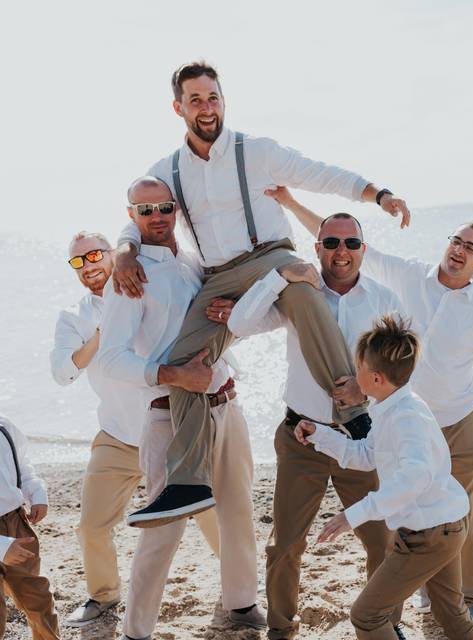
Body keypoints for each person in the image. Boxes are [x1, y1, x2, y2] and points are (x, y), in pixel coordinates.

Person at [111, 61, 412, 525]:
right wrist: (124, 250)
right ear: (179, 107)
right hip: (217, 274)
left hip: (272, 255)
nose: (206, 108)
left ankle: (355, 414)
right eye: (195, 100)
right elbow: (138, 210)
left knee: (306, 294)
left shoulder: (257, 151)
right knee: (187, 358)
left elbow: (321, 173)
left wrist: (380, 195)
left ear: (223, 100)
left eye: (213, 98)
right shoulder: (166, 170)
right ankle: (188, 479)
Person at [272, 188, 473, 633]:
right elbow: (343, 245)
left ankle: (471, 598)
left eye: (471, 247)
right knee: (408, 509)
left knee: (464, 512)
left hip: (458, 422)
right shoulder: (407, 276)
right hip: (402, 420)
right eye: (456, 241)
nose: (460, 250)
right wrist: (289, 201)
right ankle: (417, 587)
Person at [99, 176, 263, 638]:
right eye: (144, 211)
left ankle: (242, 603)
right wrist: (175, 376)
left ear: (177, 209)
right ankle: (137, 631)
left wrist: (235, 317)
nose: (157, 218)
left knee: (237, 511)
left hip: (226, 403)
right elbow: (112, 357)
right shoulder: (129, 275)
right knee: (163, 527)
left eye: (164, 208)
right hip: (167, 414)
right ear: (130, 215)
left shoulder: (193, 261)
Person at [226, 213, 403, 639]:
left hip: (361, 441)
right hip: (302, 439)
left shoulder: (383, 300)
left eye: (351, 243)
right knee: (285, 545)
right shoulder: (296, 296)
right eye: (331, 243)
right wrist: (278, 278)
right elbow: (239, 323)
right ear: (317, 248)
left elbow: (407, 369)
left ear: (363, 248)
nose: (341, 252)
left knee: (382, 543)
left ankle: (383, 627)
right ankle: (281, 629)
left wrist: (364, 392)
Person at [296, 316, 473, 640]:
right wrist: (319, 435)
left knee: (367, 616)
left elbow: (416, 475)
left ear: (377, 378)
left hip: (431, 533)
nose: (355, 375)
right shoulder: (390, 407)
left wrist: (354, 514)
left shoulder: (406, 416)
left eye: (359, 369)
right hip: (442, 524)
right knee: (451, 613)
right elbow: (367, 455)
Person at [50, 232, 149, 626]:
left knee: (213, 515)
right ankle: (103, 596)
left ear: (112, 254)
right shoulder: (74, 317)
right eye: (78, 261)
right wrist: (103, 330)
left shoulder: (147, 290)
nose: (88, 265)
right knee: (91, 527)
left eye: (94, 254)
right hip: (116, 436)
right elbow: (63, 372)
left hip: (169, 429)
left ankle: (241, 598)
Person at [0, 412, 59, 640]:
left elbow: (21, 464)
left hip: (14, 523)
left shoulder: (4, 425)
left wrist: (36, 492)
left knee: (37, 596)